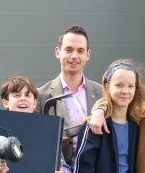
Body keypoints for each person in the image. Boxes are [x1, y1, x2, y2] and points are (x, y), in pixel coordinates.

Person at [39, 25, 104, 161]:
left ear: (88, 55)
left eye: (80, 51)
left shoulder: (103, 94)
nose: (74, 56)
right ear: (58, 52)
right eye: (68, 50)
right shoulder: (40, 96)